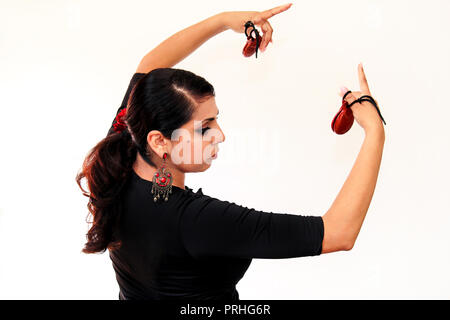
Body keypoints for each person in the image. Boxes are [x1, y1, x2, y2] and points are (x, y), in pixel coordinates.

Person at [76, 3, 386, 300]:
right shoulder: (196, 220)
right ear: (160, 141)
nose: (220, 135)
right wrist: (375, 132)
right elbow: (337, 232)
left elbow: (149, 66)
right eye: (204, 127)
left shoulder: (123, 150)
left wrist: (223, 21)